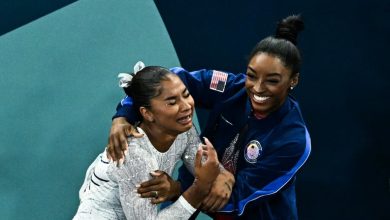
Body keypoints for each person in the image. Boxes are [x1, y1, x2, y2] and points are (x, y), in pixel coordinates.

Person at [109, 15, 311, 219]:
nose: (257, 88)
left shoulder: (293, 140)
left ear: (293, 80)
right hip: (194, 199)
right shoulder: (231, 87)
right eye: (251, 75)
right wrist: (123, 116)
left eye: (272, 81)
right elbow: (164, 81)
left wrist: (178, 190)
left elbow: (238, 200)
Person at [73, 65, 221, 220]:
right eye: (172, 102)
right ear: (147, 114)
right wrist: (200, 188)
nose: (186, 106)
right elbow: (205, 180)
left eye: (186, 95)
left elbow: (206, 169)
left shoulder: (183, 130)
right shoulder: (134, 154)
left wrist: (220, 175)